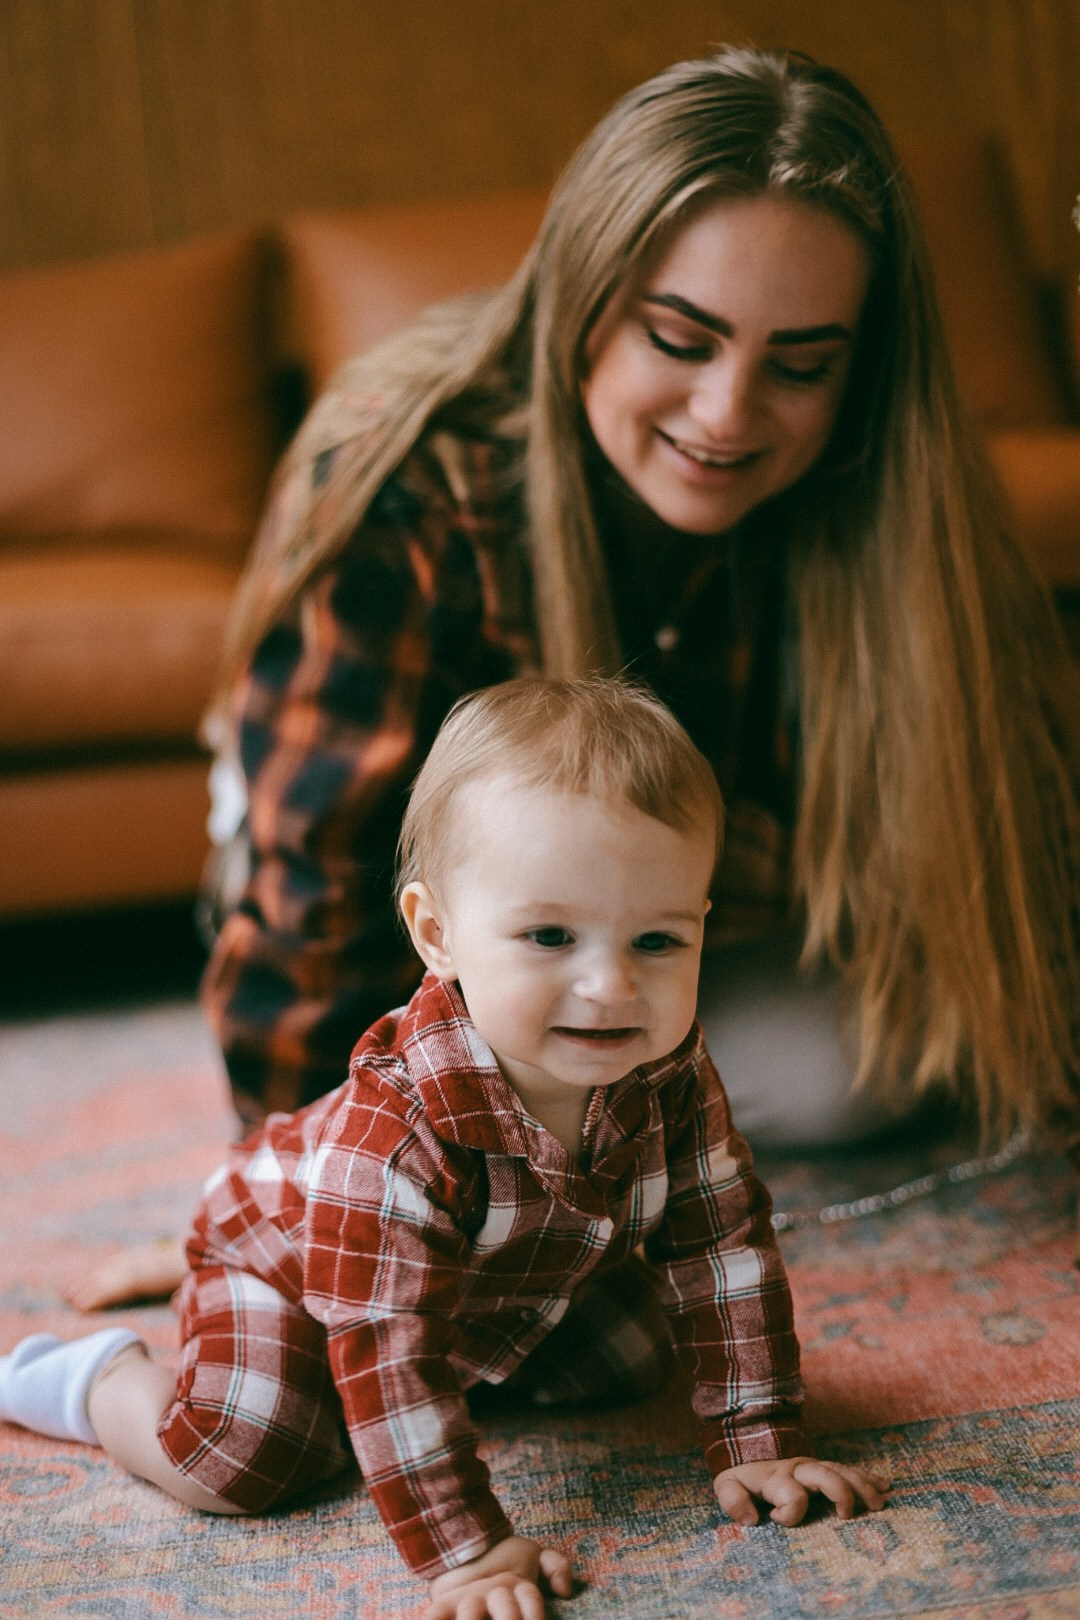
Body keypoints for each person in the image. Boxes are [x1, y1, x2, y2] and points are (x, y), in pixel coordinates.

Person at [71, 44, 1080, 1311]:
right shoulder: (415, 473)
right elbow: (315, 876)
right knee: (476, 1099)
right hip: (373, 876)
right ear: (586, 294)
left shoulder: (887, 482)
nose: (727, 413)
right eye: (679, 337)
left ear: (860, 373)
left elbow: (1018, 834)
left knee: (859, 1065)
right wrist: (305, 1184)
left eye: (802, 364)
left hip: (680, 885)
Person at [2, 679, 888, 1620]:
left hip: (482, 1272)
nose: (610, 984)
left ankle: (409, 1368)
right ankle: (94, 1376)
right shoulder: (394, 1137)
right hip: (290, 1262)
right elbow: (388, 1350)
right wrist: (468, 1551)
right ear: (438, 934)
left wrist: (760, 1438)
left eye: (658, 939)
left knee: (631, 1359)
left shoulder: (670, 1070)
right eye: (549, 935)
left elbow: (724, 1247)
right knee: (245, 1456)